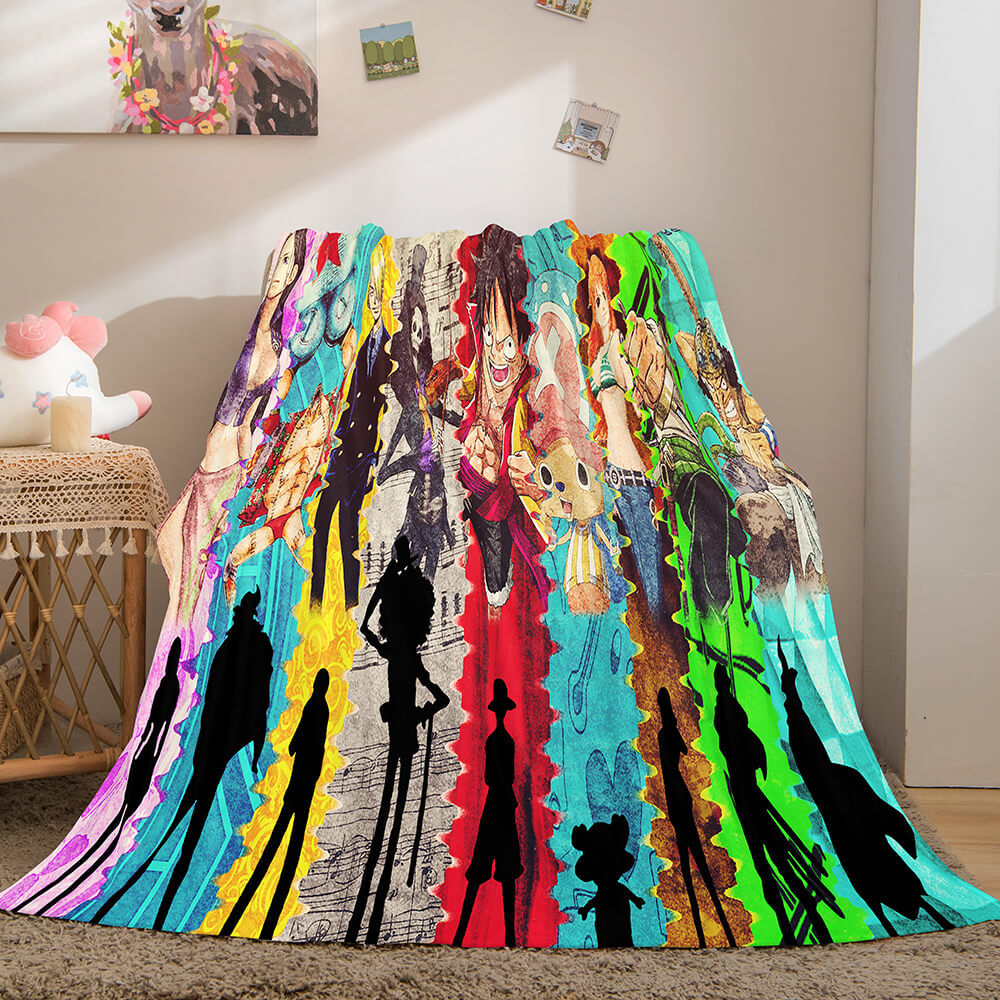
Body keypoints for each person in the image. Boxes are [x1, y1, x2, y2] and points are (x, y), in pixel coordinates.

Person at [158, 230, 308, 653]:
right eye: (278, 261)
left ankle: (188, 655)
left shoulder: (277, 345)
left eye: (287, 263)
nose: (277, 272)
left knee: (194, 573)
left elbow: (264, 413)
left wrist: (244, 464)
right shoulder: (257, 332)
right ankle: (183, 650)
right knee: (174, 549)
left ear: (294, 272)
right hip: (209, 467)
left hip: (227, 471)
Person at [344, 537, 449, 944]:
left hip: (397, 722)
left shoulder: (393, 651)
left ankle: (379, 871)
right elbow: (441, 698)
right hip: (405, 722)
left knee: (394, 784)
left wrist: (378, 606)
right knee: (398, 786)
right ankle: (384, 869)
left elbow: (366, 625)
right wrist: (424, 713)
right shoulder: (410, 656)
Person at [457, 226, 545, 609]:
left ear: (523, 342)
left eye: (508, 343)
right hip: (481, 483)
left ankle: (499, 574)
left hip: (510, 495)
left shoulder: (528, 395)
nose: (497, 353)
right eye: (492, 338)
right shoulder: (481, 358)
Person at [310, 243, 392, 609]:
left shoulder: (388, 345)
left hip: (363, 457)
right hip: (340, 451)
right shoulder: (357, 342)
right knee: (321, 523)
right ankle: (316, 598)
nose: (373, 298)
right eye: (370, 291)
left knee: (348, 532)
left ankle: (350, 603)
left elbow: (385, 406)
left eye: (378, 291)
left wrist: (375, 460)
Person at [452, 678, 522, 948]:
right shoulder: (500, 741)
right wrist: (509, 796)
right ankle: (500, 937)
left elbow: (493, 777)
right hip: (499, 806)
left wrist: (506, 793)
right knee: (495, 871)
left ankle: (469, 936)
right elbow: (498, 776)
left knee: (499, 872)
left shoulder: (497, 740)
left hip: (496, 805)